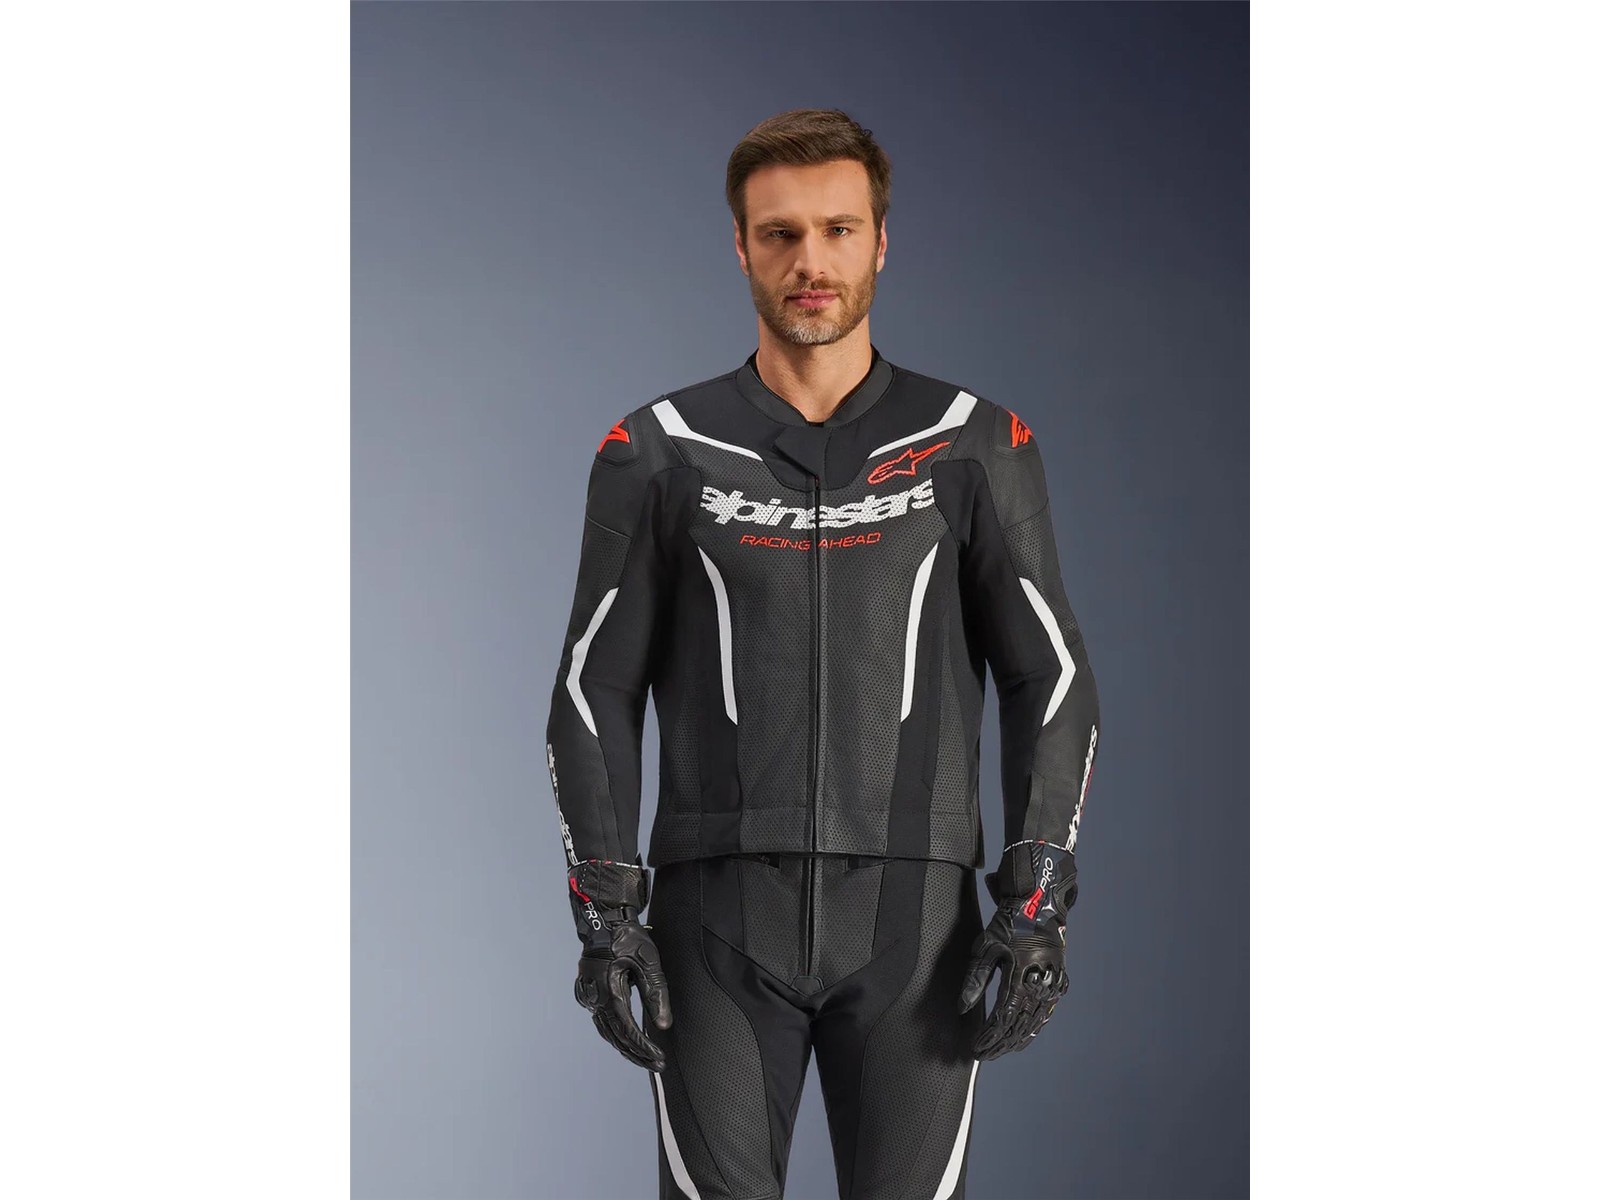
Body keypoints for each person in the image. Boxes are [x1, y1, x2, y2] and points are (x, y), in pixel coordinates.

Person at [544, 108, 1100, 1200]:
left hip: (915, 932)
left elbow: (1051, 674)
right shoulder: (657, 449)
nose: (811, 261)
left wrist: (1035, 894)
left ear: (881, 242)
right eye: (781, 233)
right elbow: (592, 685)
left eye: (839, 230)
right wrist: (604, 909)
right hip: (713, 927)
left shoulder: (974, 442)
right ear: (740, 246)